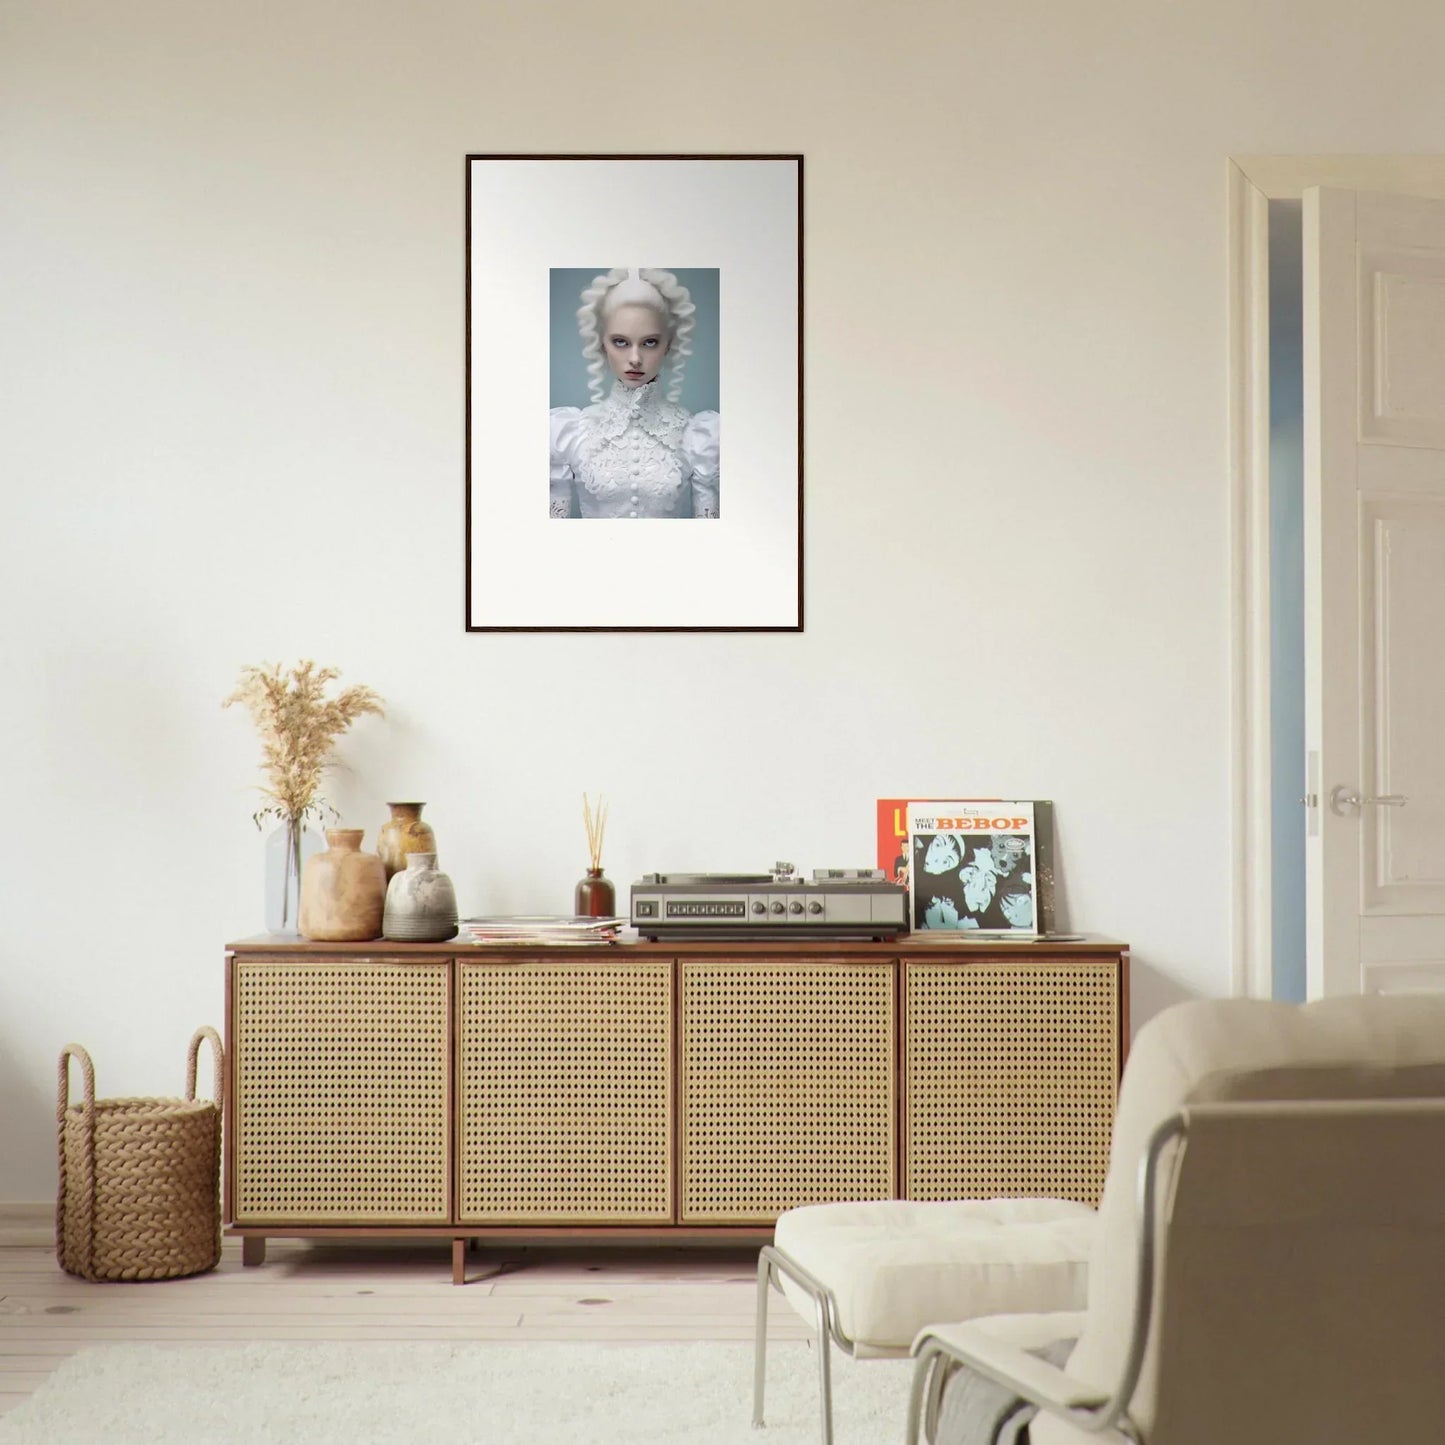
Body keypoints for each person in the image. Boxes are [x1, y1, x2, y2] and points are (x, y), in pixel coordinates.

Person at [549, 268, 720, 519]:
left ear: (668, 344)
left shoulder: (699, 437)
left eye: (649, 342)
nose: (635, 359)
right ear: (602, 343)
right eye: (620, 341)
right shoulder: (569, 432)